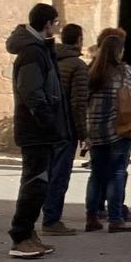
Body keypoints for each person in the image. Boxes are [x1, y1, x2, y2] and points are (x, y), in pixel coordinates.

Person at [5, 3, 66, 260]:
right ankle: (20, 236)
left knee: (38, 184)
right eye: (56, 22)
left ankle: (28, 233)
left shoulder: (40, 49)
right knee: (34, 183)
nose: (59, 26)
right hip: (36, 130)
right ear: (48, 24)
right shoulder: (32, 52)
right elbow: (32, 92)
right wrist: (48, 122)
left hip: (40, 128)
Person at [83, 30, 131, 233]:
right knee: (117, 173)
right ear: (119, 52)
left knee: (96, 174)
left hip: (95, 129)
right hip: (119, 129)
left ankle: (91, 217)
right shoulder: (124, 72)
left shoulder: (91, 72)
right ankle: (115, 218)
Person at [39, 24, 89, 237]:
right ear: (79, 39)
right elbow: (78, 102)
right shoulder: (77, 65)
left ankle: (46, 215)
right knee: (60, 175)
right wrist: (83, 133)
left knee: (47, 172)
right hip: (65, 127)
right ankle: (51, 219)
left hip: (48, 124)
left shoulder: (50, 59)